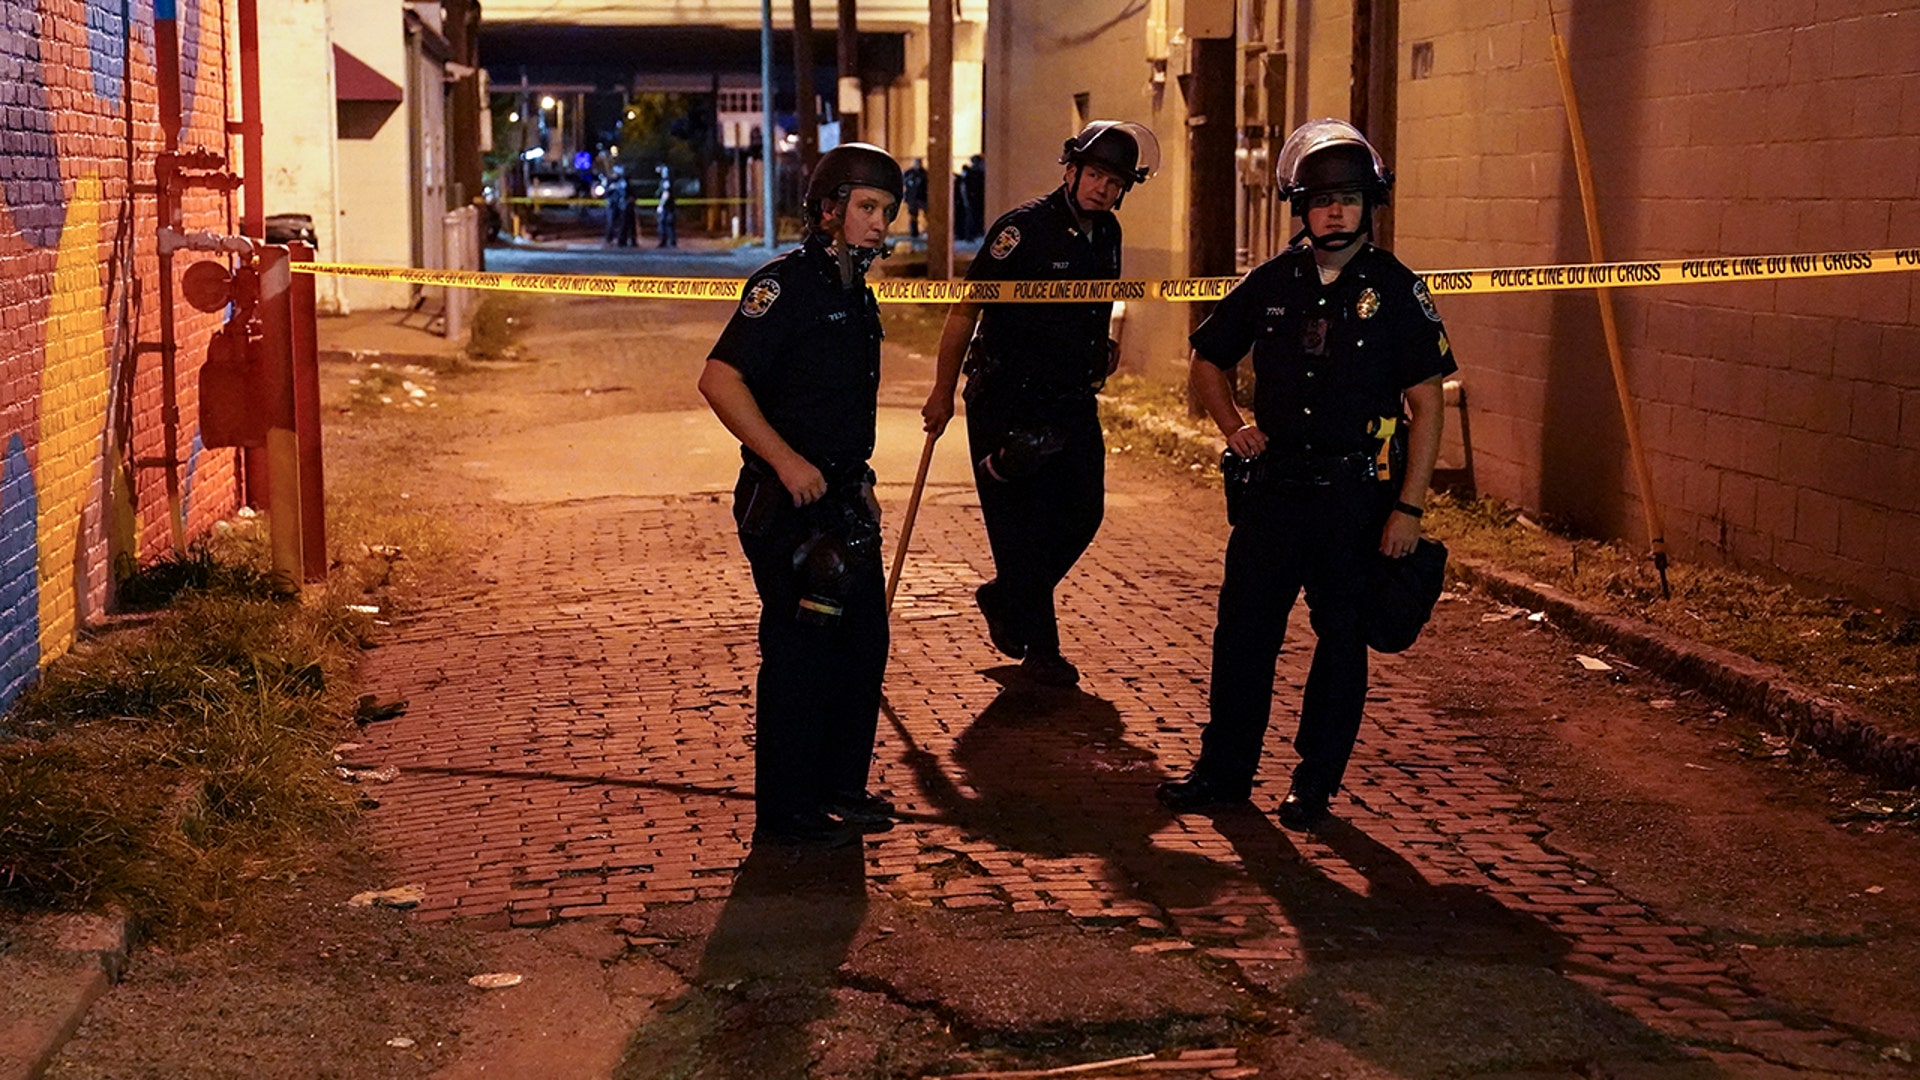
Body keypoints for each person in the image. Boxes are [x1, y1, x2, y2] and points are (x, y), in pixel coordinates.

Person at [1156, 119, 1457, 830]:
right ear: (1301, 206)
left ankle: (1313, 785)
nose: (1336, 211)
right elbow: (1207, 359)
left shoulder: (1396, 290)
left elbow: (1425, 402)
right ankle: (1224, 774)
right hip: (1273, 495)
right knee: (1243, 636)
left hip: (1355, 499)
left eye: (1349, 198)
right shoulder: (1271, 283)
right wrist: (1235, 427)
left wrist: (1408, 508)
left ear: (1369, 204)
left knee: (1340, 642)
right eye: (1322, 199)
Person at [698, 143, 904, 847]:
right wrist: (785, 462)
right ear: (829, 210)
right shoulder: (784, 289)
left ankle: (839, 787)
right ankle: (787, 812)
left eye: (887, 210)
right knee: (800, 656)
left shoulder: (854, 290)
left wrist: (861, 480)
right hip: (787, 506)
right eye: (867, 208)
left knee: (863, 646)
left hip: (842, 502)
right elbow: (720, 380)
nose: (879, 223)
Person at [920, 120, 1159, 686]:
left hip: (1071, 398)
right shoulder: (1022, 231)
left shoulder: (1110, 235)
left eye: (1115, 181)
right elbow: (965, 310)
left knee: (1084, 512)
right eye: (1096, 174)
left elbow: (1092, 306)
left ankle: (1006, 597)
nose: (1103, 188)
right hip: (1007, 398)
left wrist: (1101, 347)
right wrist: (941, 390)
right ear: (1072, 170)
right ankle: (1042, 649)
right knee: (1021, 525)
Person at [902, 157, 929, 240]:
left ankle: (927, 231)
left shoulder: (924, 173)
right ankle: (914, 232)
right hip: (912, 198)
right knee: (913, 216)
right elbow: (904, 183)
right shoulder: (909, 173)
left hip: (922, 197)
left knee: (927, 216)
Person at [655, 163, 678, 248]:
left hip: (667, 207)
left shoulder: (666, 181)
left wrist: (661, 205)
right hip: (669, 206)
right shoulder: (667, 180)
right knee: (667, 224)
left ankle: (667, 242)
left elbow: (666, 193)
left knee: (666, 224)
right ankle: (669, 242)